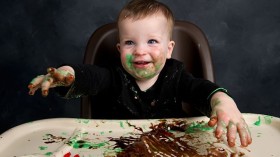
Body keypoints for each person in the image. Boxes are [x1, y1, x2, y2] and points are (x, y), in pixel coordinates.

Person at [28, 0, 252, 147]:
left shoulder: (175, 75)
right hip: (116, 146)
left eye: (152, 41)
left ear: (169, 48)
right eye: (129, 42)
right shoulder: (113, 76)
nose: (140, 51)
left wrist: (221, 100)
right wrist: (66, 75)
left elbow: (200, 90)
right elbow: (89, 77)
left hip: (171, 145)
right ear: (119, 49)